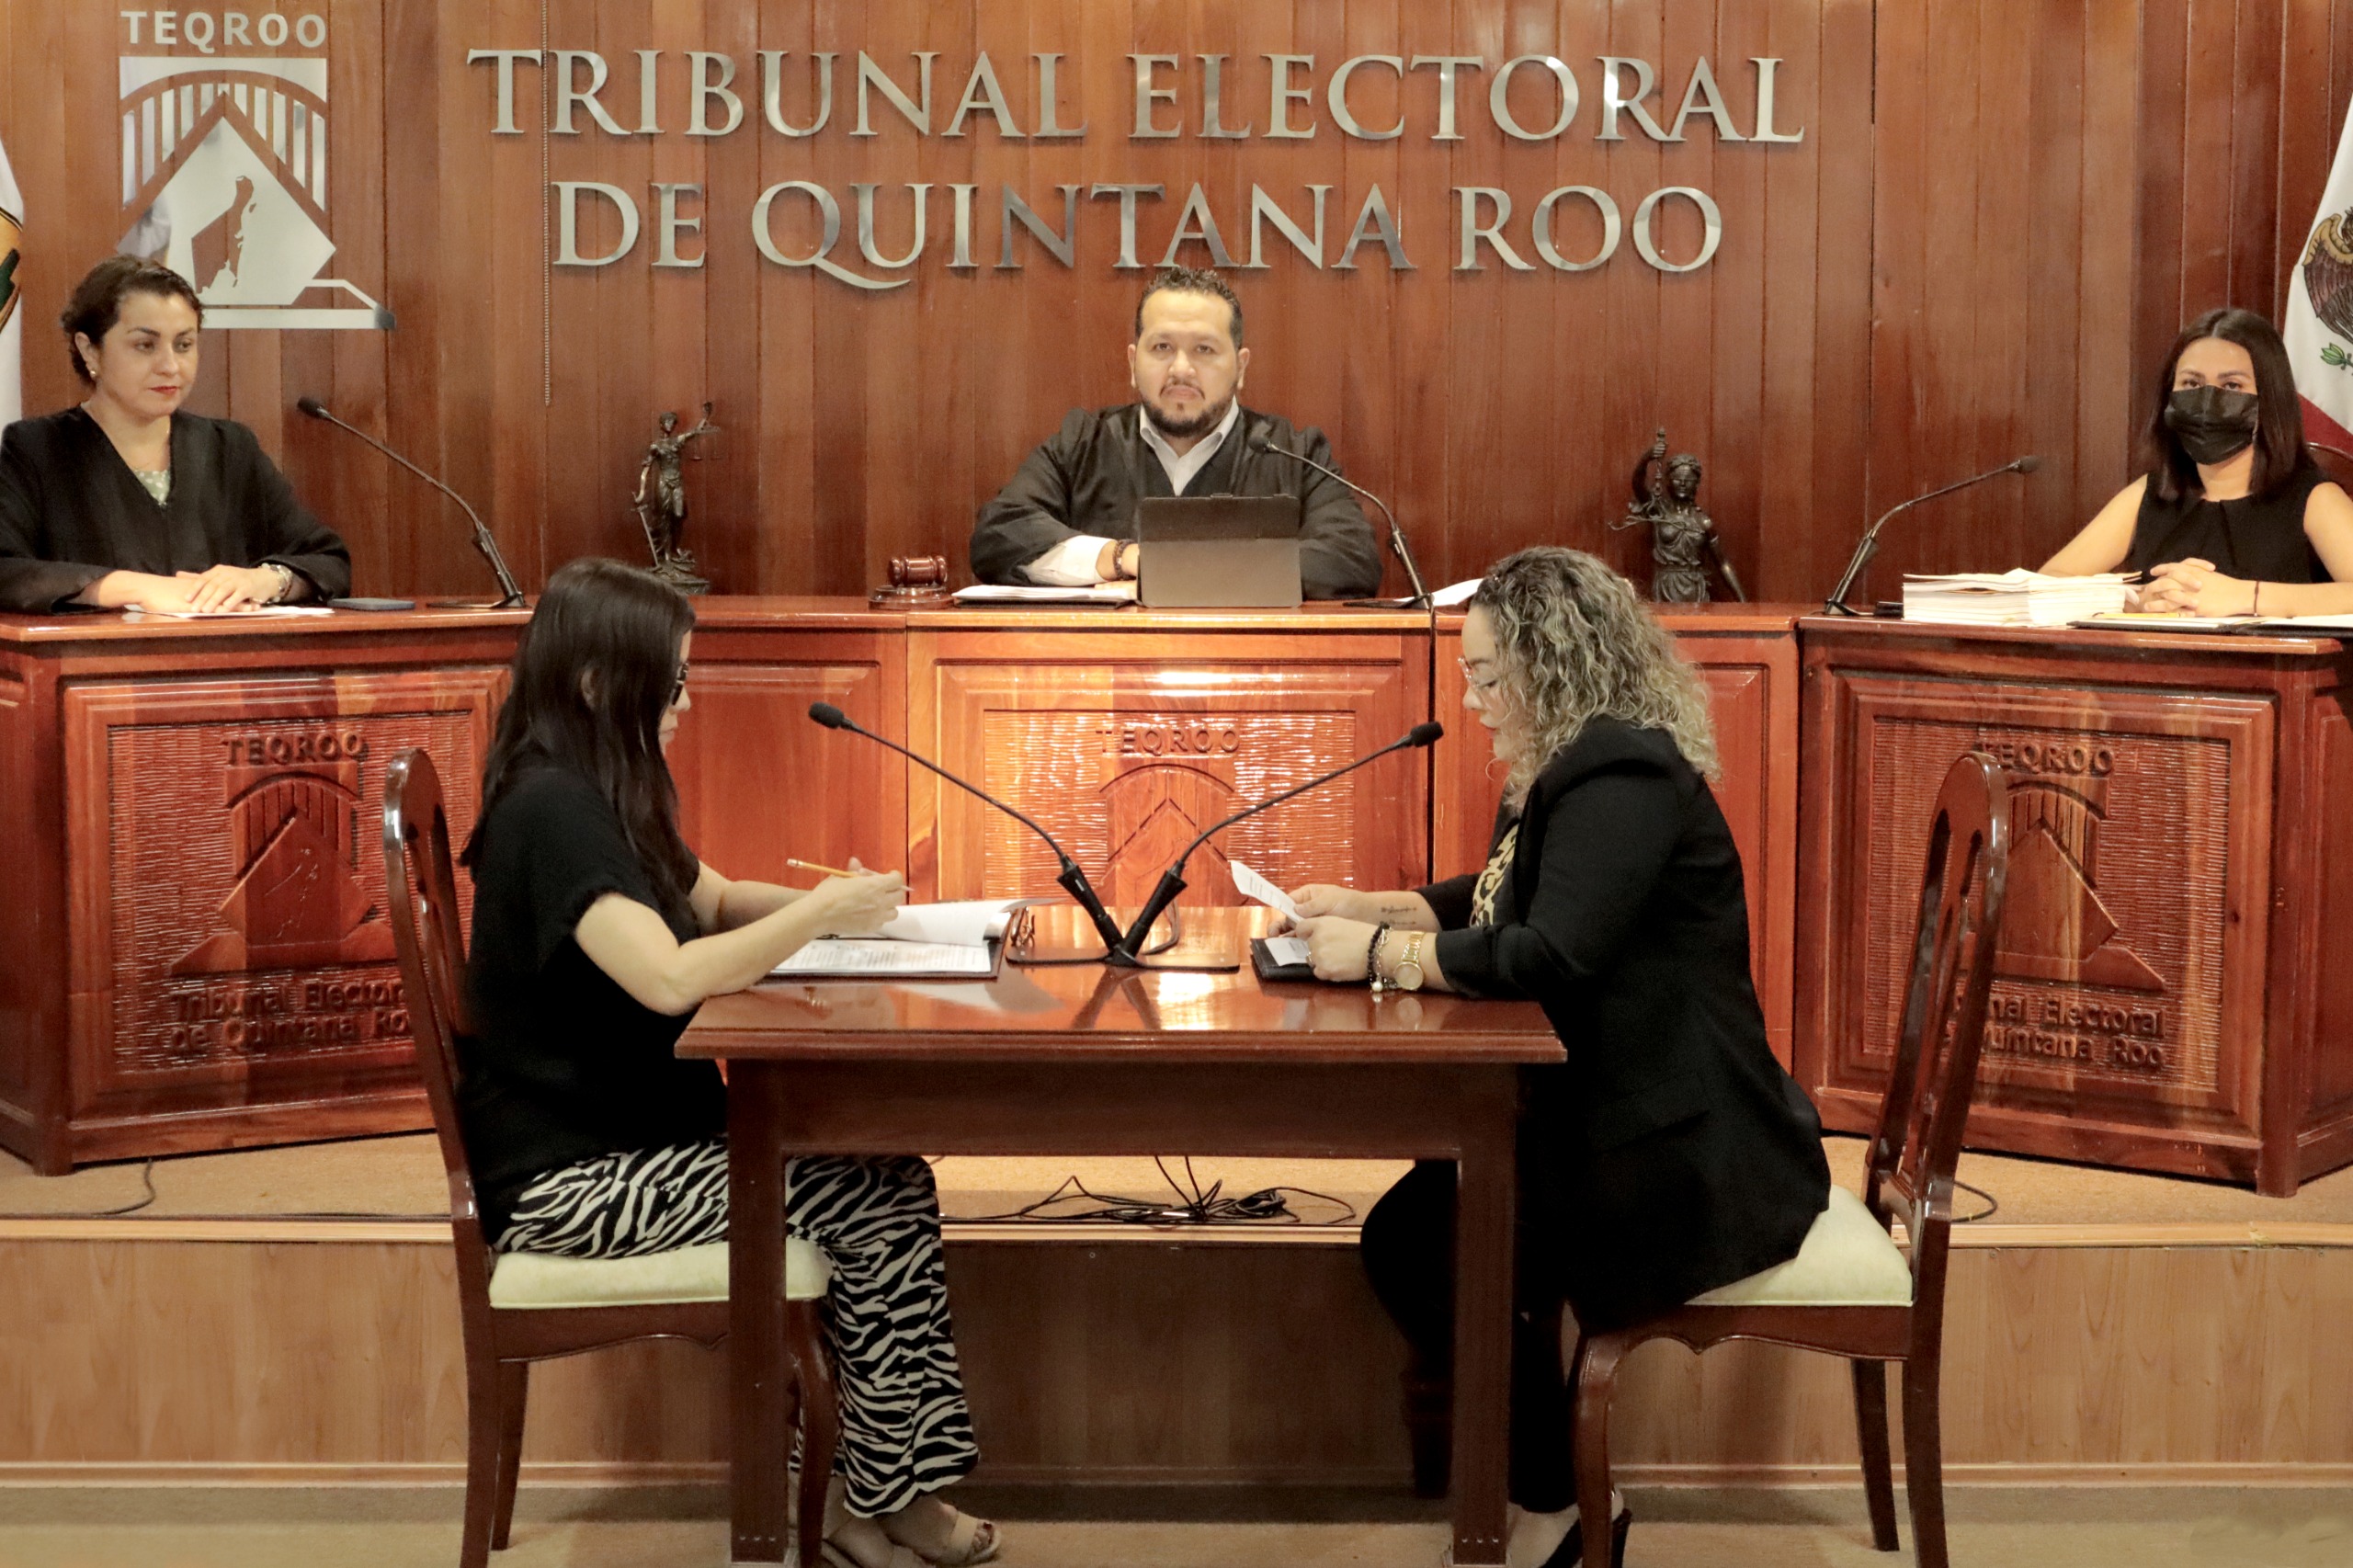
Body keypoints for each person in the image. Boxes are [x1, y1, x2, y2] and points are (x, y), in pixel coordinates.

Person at [1284, 547, 1829, 1568]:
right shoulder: (1574, 762)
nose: (1471, 699)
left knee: (1438, 1238)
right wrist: (1386, 906)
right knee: (1428, 1225)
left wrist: (1387, 956)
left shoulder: (1621, 772)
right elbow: (1514, 894)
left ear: (1551, 665)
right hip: (1610, 1111)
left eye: (1487, 675)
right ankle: (1555, 1488)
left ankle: (1565, 1500)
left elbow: (1553, 950)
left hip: (1681, 1147)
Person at [458, 559, 997, 1568]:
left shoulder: (601, 790)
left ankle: (857, 1488)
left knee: (882, 1176)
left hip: (632, 1144)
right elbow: (668, 977)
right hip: (573, 1180)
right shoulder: (550, 811)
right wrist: (817, 913)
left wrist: (866, 916)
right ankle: (878, 1495)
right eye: (672, 681)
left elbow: (708, 900)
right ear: (597, 684)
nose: (687, 702)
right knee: (876, 1191)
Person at [968, 265, 1382, 599]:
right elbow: (999, 534)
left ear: (1241, 367)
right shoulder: (1083, 444)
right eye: (1162, 347)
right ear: (1133, 363)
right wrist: (1123, 557)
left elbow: (1351, 558)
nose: (1181, 369)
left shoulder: (1293, 452)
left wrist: (1173, 570)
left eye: (1204, 349)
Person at [0, 256, 351, 615]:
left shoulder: (229, 448)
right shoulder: (36, 449)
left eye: (183, 345)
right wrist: (130, 588)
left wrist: (266, 580)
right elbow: (7, 569)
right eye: (145, 345)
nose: (170, 366)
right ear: (90, 350)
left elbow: (328, 561)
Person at [2041, 306, 2353, 614]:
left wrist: (2247, 596)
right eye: (2192, 384)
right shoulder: (2152, 493)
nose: (2207, 402)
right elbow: (2047, 584)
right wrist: (2136, 600)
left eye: (2231, 386)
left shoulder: (2313, 497)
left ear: (2269, 400)